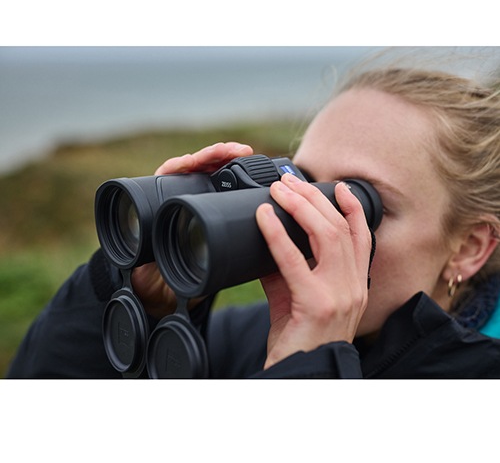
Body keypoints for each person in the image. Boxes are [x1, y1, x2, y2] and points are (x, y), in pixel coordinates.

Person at [7, 55, 500, 378]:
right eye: (301, 182)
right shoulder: (244, 337)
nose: (310, 220)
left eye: (360, 202)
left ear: (470, 247)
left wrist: (307, 368)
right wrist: (139, 300)